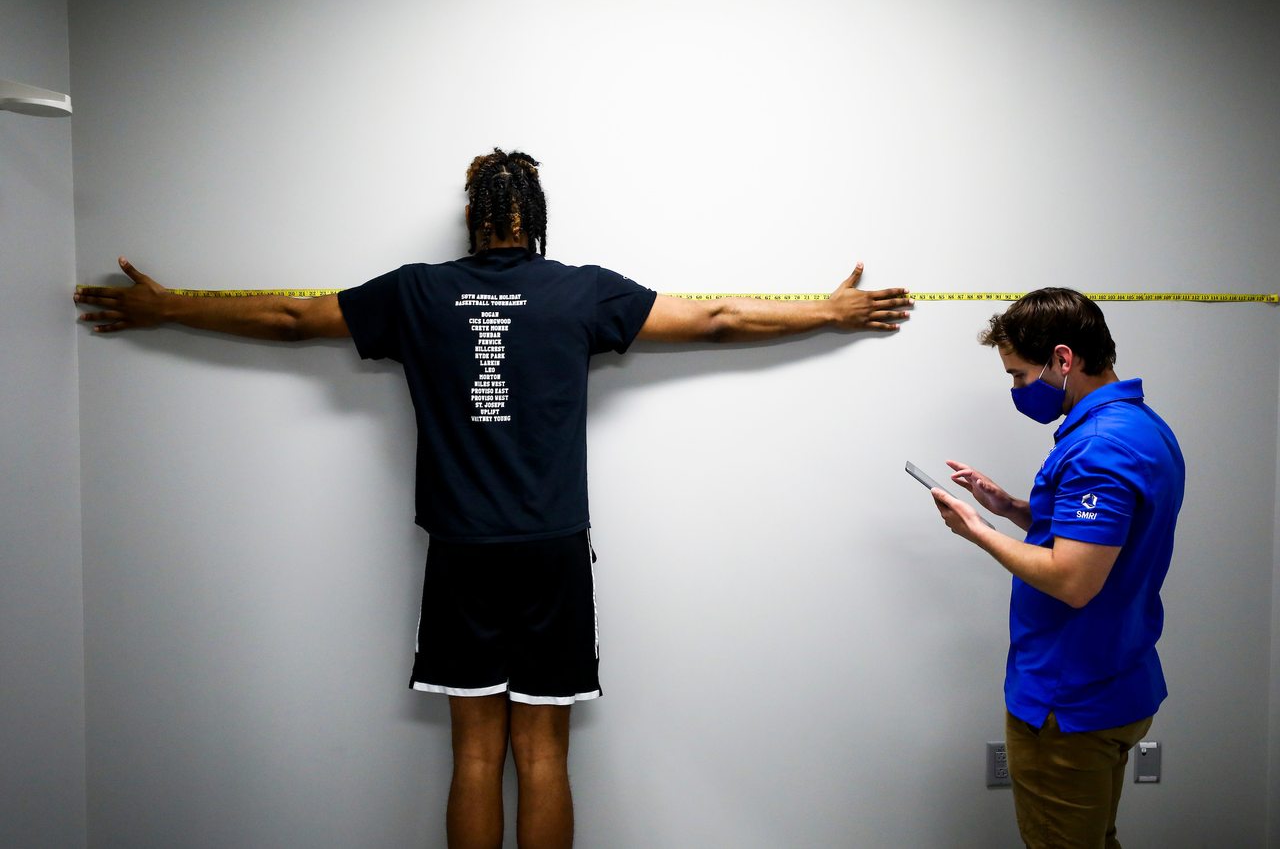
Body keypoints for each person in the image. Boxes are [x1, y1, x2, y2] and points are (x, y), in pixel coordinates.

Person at [73, 148, 912, 849]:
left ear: (473, 216)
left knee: (474, 757)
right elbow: (723, 318)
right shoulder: (580, 291)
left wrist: (166, 307)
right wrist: (829, 312)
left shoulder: (419, 292)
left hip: (462, 550)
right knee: (543, 755)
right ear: (534, 217)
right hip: (551, 548)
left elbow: (295, 319)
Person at [929, 288, 1184, 849]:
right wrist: (1015, 509)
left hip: (1067, 703)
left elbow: (1073, 579)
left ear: (1063, 360)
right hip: (1117, 680)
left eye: (1020, 375)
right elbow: (1102, 544)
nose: (1017, 390)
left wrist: (978, 531)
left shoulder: (1099, 447)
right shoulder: (1141, 427)